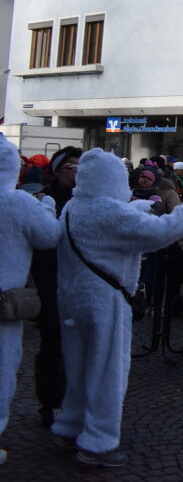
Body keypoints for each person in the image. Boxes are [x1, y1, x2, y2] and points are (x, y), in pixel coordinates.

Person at [53, 149, 183, 468]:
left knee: (78, 367)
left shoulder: (73, 207)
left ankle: (70, 426)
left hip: (72, 300)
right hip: (105, 301)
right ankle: (98, 442)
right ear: (113, 180)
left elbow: (116, 223)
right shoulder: (110, 213)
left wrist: (139, 208)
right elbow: (162, 232)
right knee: (108, 371)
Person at [0, 134, 62, 466]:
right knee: (2, 367)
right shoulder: (20, 203)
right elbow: (49, 237)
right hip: (5, 304)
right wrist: (48, 208)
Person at [32, 145, 82, 427]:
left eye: (79, 168)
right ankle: (50, 401)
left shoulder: (85, 200)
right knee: (52, 343)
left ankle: (75, 401)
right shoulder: (43, 200)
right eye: (70, 168)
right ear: (56, 170)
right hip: (50, 280)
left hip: (81, 284)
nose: (75, 174)